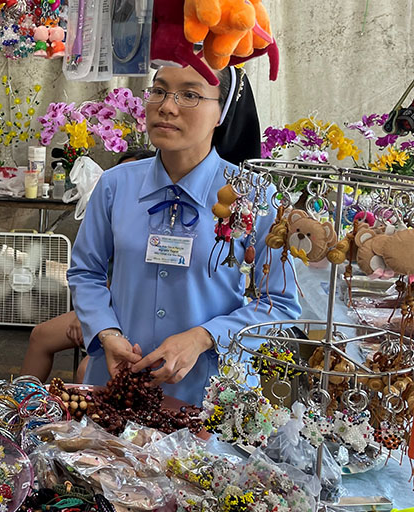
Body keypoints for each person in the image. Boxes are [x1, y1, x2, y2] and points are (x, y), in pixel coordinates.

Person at [67, 65, 301, 405]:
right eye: (159, 91)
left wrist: (205, 337)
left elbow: (279, 301)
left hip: (209, 394)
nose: (167, 106)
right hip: (119, 382)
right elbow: (86, 272)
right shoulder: (116, 185)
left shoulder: (254, 195)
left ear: (221, 112)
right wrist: (107, 333)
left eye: (190, 95)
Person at [20, 148, 155, 383]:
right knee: (40, 335)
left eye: (131, 174)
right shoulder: (111, 200)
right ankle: (18, 405)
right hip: (104, 305)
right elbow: (88, 270)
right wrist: (89, 316)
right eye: (119, 173)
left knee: (87, 370)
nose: (124, 182)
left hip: (135, 311)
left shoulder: (154, 217)